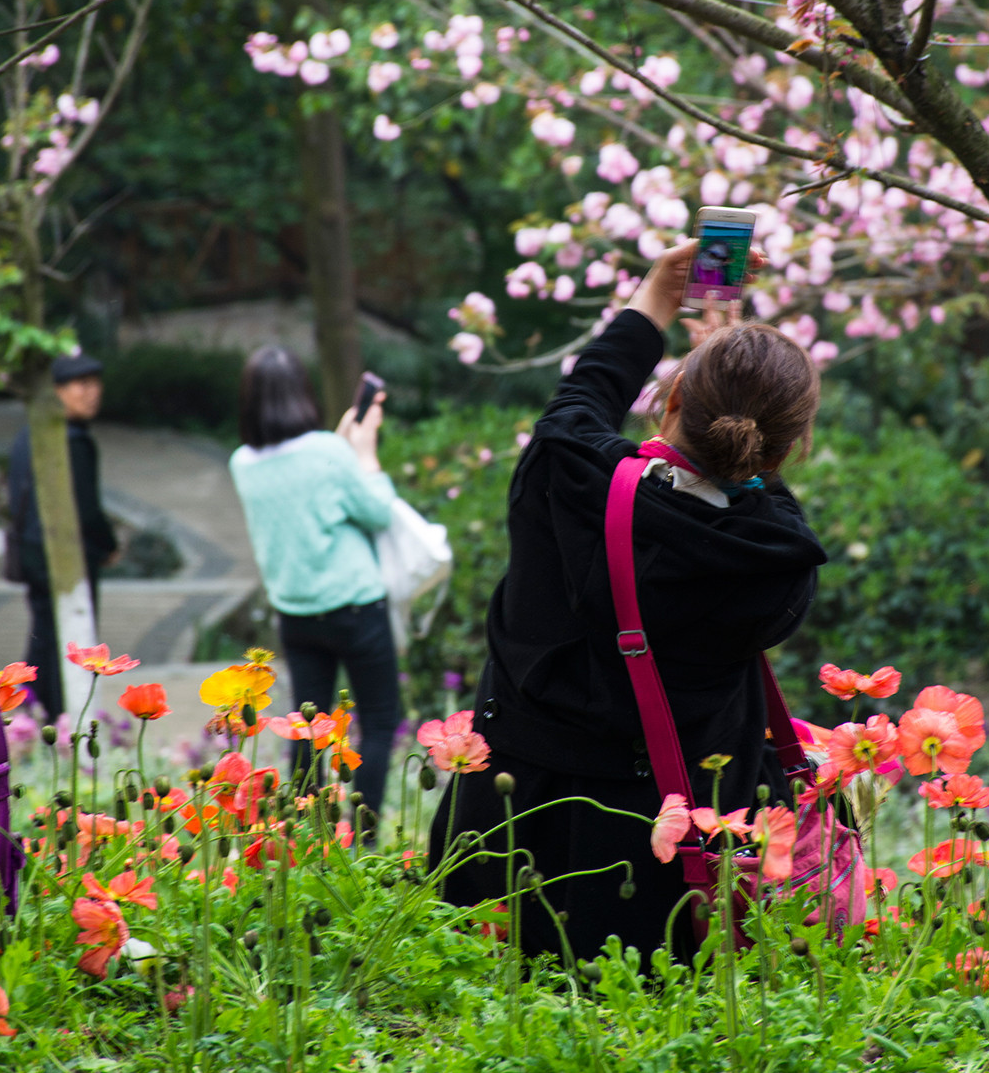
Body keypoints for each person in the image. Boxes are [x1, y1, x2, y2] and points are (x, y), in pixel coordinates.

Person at [429, 238, 827, 964]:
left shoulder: (564, 473)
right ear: (785, 453)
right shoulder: (776, 564)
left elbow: (580, 401)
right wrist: (744, 418)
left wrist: (655, 299)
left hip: (505, 830)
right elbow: (769, 508)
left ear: (671, 399)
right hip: (664, 862)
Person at [229, 346, 400, 817]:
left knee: (305, 728)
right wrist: (363, 453)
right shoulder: (327, 452)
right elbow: (377, 510)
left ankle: (308, 839)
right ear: (301, 392)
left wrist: (340, 446)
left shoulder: (242, 462)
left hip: (296, 615)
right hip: (356, 609)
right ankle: (362, 839)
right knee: (381, 722)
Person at [7, 351, 119, 723]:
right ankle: (55, 718)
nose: (92, 392)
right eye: (81, 385)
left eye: (95, 383)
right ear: (56, 391)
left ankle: (30, 714)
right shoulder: (71, 440)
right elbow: (86, 509)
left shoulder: (31, 432)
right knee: (64, 642)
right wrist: (108, 545)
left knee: (46, 637)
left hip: (31, 552)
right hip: (64, 557)